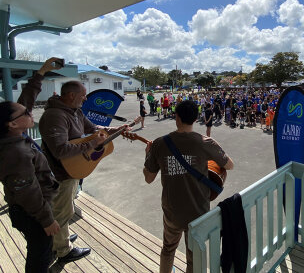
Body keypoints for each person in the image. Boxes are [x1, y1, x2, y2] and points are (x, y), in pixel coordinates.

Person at [39, 80, 129, 263]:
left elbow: (93, 129)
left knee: (66, 209)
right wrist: (90, 144)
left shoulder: (75, 111)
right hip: (61, 173)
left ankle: (60, 237)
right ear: (71, 95)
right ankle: (63, 250)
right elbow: (60, 150)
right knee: (62, 212)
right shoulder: (55, 116)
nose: (85, 98)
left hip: (71, 172)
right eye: (82, 95)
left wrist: (114, 130)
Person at [143, 100, 235, 273]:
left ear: (176, 117)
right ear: (195, 118)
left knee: (168, 249)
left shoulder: (159, 143)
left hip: (172, 211)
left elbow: (149, 178)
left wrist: (148, 156)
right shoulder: (206, 142)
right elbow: (230, 165)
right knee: (193, 258)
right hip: (198, 211)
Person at [0, 58, 62, 272]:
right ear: (13, 124)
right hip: (32, 212)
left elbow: (25, 102)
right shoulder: (16, 153)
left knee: (41, 250)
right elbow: (27, 192)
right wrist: (47, 219)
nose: (30, 112)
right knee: (39, 257)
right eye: (25, 113)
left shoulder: (8, 136)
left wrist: (41, 72)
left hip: (26, 208)